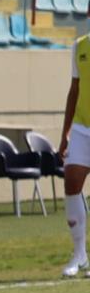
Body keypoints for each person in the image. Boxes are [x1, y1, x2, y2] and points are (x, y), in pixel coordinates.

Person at [60, 29, 90, 278]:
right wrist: (65, 133)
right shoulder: (79, 46)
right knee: (71, 183)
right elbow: (74, 91)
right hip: (81, 127)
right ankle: (79, 255)